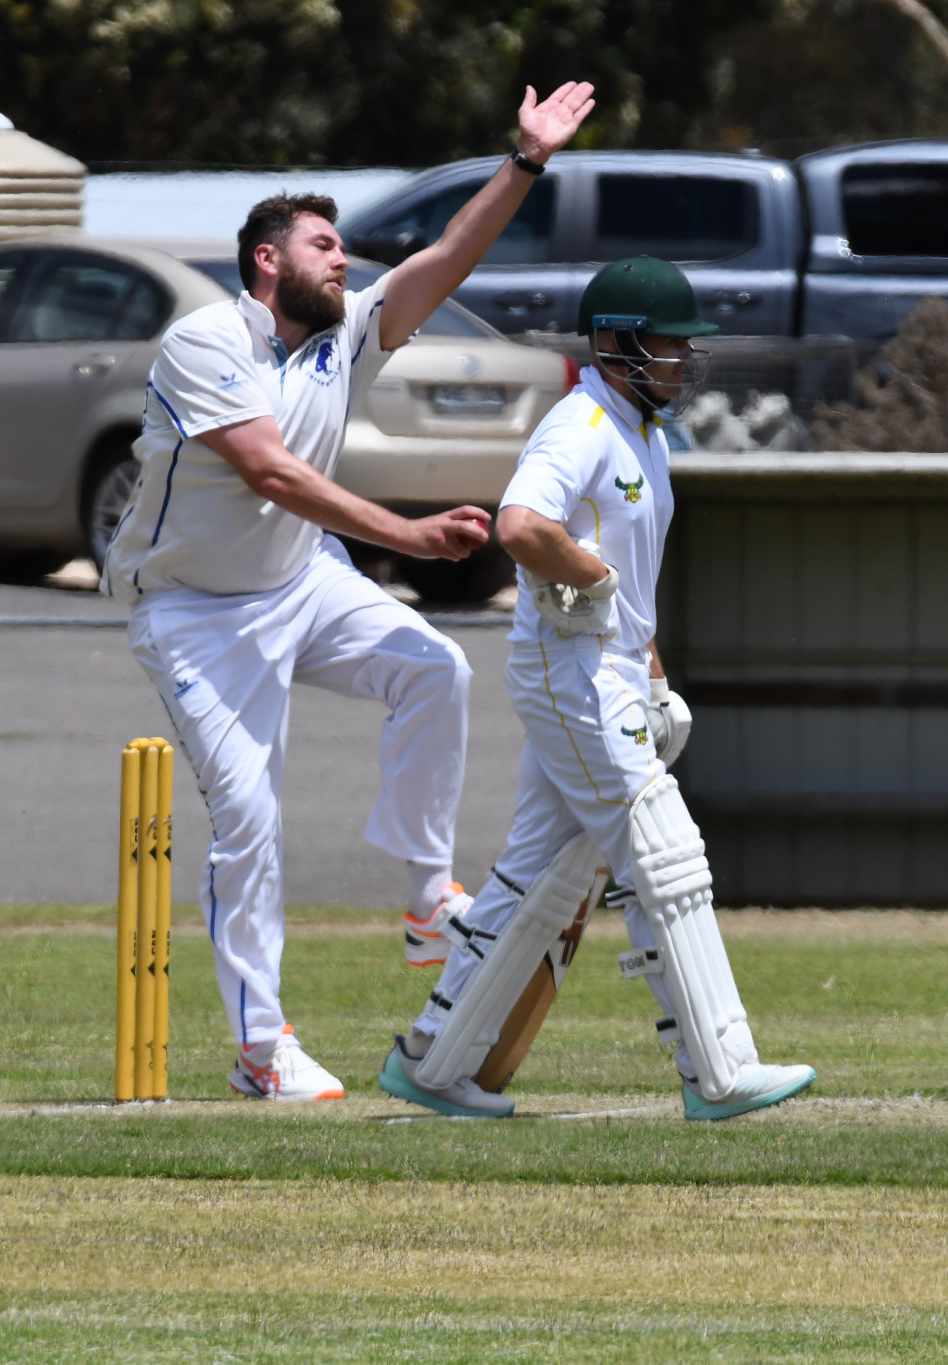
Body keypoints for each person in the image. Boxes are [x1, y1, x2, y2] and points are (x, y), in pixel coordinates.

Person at [103, 82, 597, 1102]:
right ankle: (258, 1050)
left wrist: (527, 161)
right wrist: (407, 534)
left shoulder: (345, 332)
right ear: (266, 262)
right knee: (246, 818)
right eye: (323, 244)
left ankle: (426, 904)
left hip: (299, 580)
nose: (343, 258)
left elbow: (445, 259)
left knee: (434, 670)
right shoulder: (205, 343)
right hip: (196, 613)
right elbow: (271, 473)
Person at [377, 256, 817, 1121]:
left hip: (605, 670)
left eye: (689, 347)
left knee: (532, 875)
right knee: (663, 852)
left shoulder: (644, 434)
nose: (685, 362)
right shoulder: (580, 422)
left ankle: (434, 1059)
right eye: (668, 344)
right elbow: (521, 525)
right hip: (567, 669)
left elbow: (636, 574)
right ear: (616, 345)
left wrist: (650, 671)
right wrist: (595, 580)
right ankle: (718, 1070)